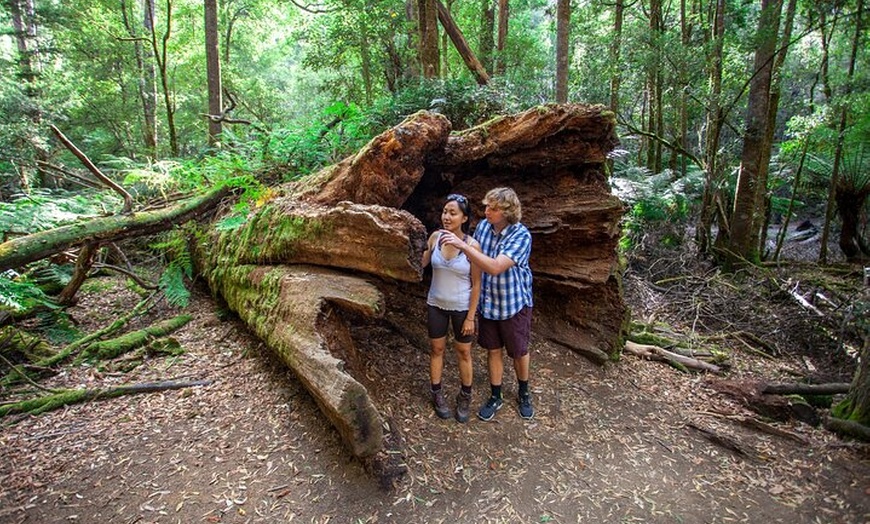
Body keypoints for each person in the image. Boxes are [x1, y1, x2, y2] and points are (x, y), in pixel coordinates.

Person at [438, 187, 534, 421]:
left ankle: (524, 392)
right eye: (487, 206)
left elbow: (494, 266)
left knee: (518, 351)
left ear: (508, 212)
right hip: (489, 303)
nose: (486, 211)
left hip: (513, 303)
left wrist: (464, 247)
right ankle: (496, 394)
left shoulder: (521, 235)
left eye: (493, 208)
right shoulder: (483, 227)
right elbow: (474, 263)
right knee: (493, 349)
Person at [421, 193, 482, 423]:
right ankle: (436, 393)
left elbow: (477, 284)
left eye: (453, 213)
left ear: (464, 218)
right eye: (445, 212)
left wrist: (470, 317)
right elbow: (422, 263)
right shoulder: (435, 237)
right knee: (436, 350)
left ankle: (465, 394)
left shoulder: (472, 245)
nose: (447, 217)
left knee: (463, 352)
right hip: (436, 304)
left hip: (461, 308)